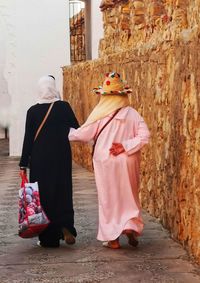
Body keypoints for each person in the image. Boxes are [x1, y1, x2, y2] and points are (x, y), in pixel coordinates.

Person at [69, 72, 150, 249]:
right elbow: (144, 137)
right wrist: (125, 146)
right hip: (128, 160)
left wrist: (68, 133)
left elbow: (84, 134)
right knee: (129, 194)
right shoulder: (133, 114)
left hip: (105, 161)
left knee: (109, 197)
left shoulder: (100, 114)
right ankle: (130, 226)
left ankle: (113, 238)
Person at [19, 75, 79, 247]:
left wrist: (23, 164)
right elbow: (76, 128)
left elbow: (28, 139)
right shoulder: (64, 107)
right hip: (61, 156)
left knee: (43, 195)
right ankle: (66, 226)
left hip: (39, 159)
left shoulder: (32, 111)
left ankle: (49, 237)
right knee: (63, 190)